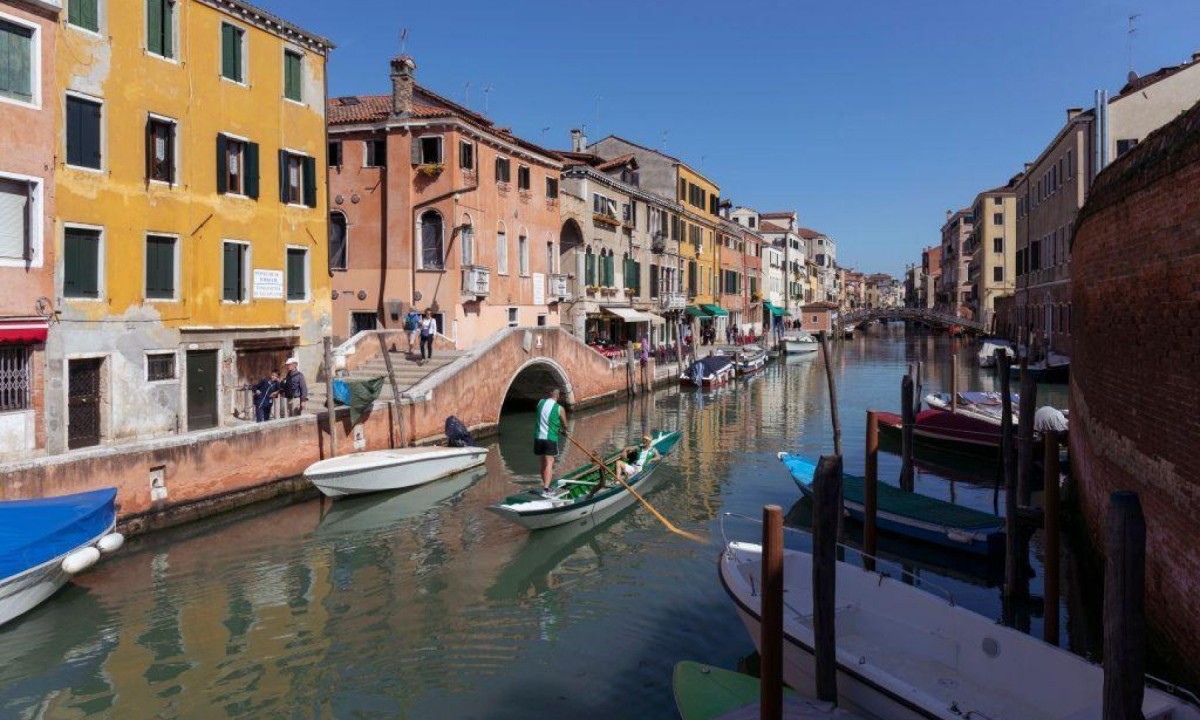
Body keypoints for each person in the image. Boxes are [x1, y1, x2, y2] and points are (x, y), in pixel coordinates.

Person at [534, 387, 568, 498]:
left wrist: (554, 425)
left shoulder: (540, 402)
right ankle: (546, 489)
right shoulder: (559, 408)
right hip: (550, 439)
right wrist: (563, 430)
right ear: (558, 396)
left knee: (542, 463)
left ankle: (545, 486)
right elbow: (565, 425)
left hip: (538, 438)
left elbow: (543, 417)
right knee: (549, 463)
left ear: (549, 394)